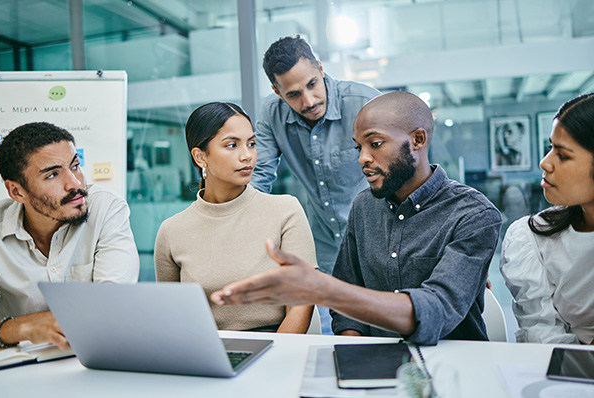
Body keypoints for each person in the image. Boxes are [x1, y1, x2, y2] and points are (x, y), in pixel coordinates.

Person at [211, 91, 502, 345]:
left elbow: (436, 310)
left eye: (374, 144)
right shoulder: (364, 206)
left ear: (417, 140)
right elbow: (347, 303)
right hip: (372, 365)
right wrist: (353, 351)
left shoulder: (474, 214)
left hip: (452, 366)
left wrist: (324, 290)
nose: (362, 157)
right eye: (358, 147)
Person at [253, 35, 380, 333]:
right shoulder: (272, 115)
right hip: (323, 249)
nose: (308, 101)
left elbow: (411, 173)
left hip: (377, 245)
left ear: (321, 69)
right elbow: (258, 179)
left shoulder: (366, 103)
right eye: (293, 94)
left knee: (384, 338)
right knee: (329, 338)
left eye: (312, 84)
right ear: (277, 91)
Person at [154, 102, 316, 333]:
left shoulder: (285, 211)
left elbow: (302, 301)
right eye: (232, 145)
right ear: (201, 157)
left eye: (251, 144)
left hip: (277, 347)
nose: (247, 155)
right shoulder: (172, 230)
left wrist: (275, 359)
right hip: (205, 351)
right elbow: (170, 314)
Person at [0, 122, 139, 350]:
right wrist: (22, 328)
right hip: (20, 366)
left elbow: (114, 305)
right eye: (52, 175)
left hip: (98, 354)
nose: (75, 183)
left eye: (75, 166)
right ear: (17, 191)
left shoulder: (106, 208)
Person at [500, 93, 594, 344]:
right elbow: (542, 338)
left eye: (562, 155)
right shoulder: (531, 237)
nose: (545, 163)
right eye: (550, 147)